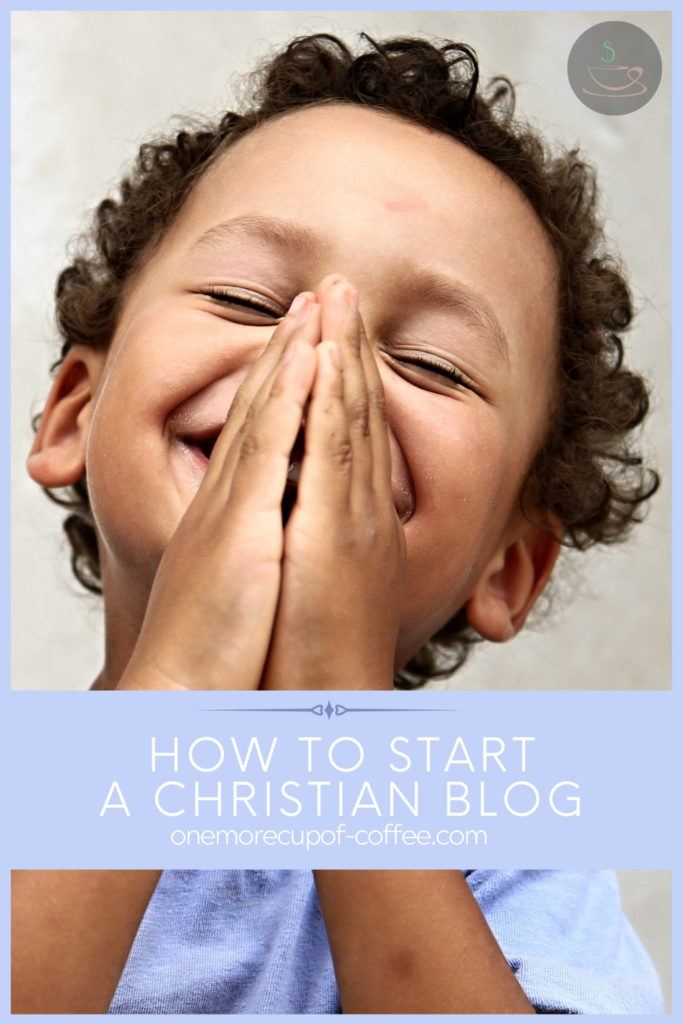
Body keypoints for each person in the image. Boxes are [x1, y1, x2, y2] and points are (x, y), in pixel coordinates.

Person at [13, 33, 662, 1014]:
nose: (320, 365)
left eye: (434, 364)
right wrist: (180, 687)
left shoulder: (512, 859)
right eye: (244, 298)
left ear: (507, 568)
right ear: (73, 415)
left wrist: (338, 729)